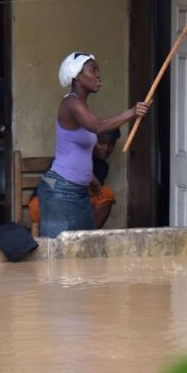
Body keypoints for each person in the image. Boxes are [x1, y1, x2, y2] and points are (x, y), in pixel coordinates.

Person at [36, 52, 149, 237]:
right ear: (77, 75)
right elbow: (97, 127)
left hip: (77, 190)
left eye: (98, 70)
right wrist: (132, 112)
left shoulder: (81, 106)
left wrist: (91, 178)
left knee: (82, 251)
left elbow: (76, 151)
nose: (98, 75)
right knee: (59, 255)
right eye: (93, 70)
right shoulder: (71, 103)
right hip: (61, 191)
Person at [29, 128, 121, 231]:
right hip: (46, 201)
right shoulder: (70, 155)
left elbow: (92, 194)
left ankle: (86, 239)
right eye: (101, 143)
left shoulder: (102, 167)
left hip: (74, 204)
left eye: (111, 144)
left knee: (106, 194)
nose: (106, 148)